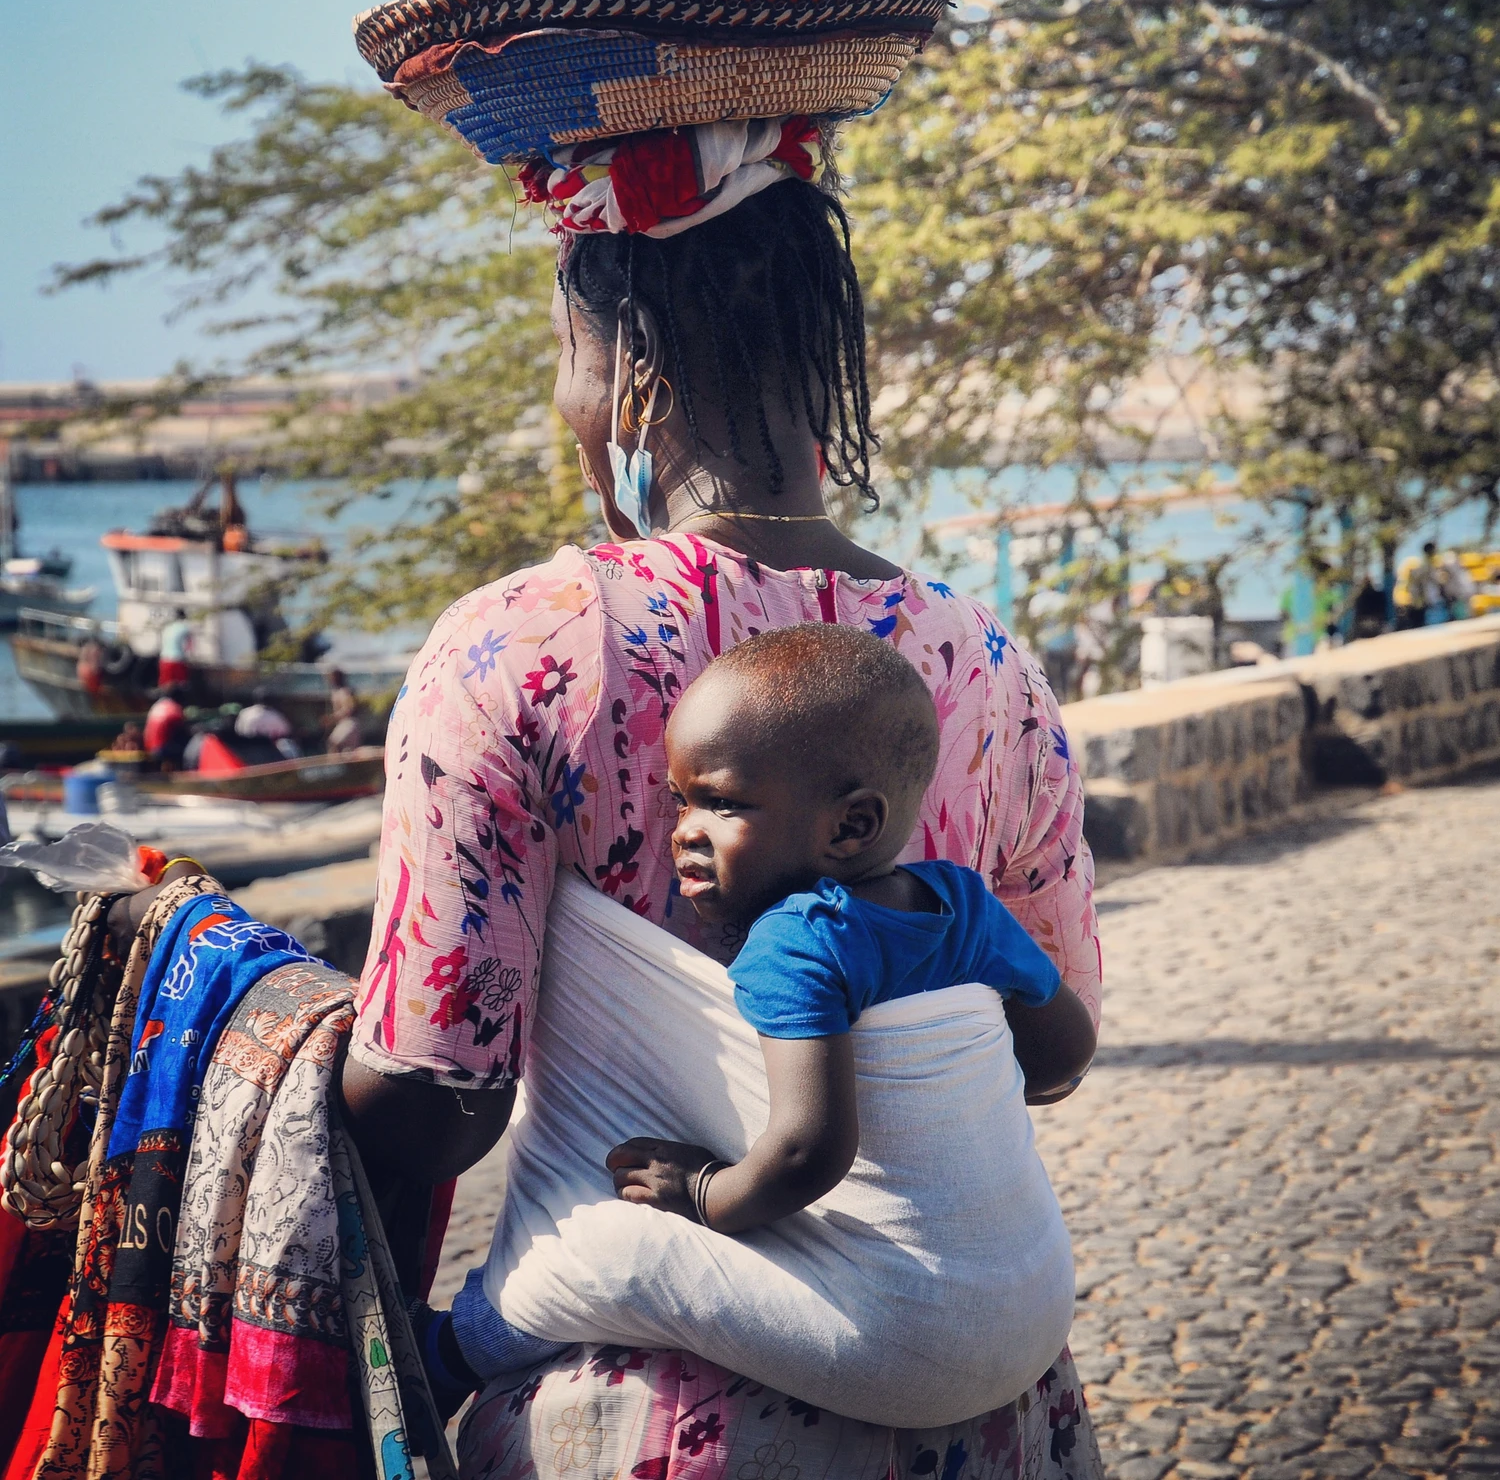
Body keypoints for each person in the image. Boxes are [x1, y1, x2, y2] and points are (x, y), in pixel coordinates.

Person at [336, 165, 1103, 1477]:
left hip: (656, 1420)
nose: (568, 408)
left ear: (626, 374)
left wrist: (244, 1027)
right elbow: (1045, 1057)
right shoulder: (985, 661)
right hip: (983, 1417)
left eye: (565, 364)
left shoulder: (521, 645)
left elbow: (436, 1100)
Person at [416, 626, 1096, 1401]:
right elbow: (1066, 1052)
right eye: (681, 800)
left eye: (724, 804)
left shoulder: (795, 944)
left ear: (850, 826)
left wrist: (701, 1192)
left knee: (605, 1248)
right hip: (1036, 1303)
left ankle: (449, 1356)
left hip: (915, 1339)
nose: (685, 833)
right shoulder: (965, 903)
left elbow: (808, 1150)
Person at [325, 668, 362, 753]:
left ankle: (335, 765)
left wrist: (332, 718)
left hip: (349, 723)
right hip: (342, 724)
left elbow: (349, 709)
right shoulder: (336, 692)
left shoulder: (345, 692)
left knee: (333, 742)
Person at [157, 609, 193, 690]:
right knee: (181, 685)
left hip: (164, 659)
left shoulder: (167, 627)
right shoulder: (185, 628)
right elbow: (189, 645)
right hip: (177, 659)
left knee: (165, 686)